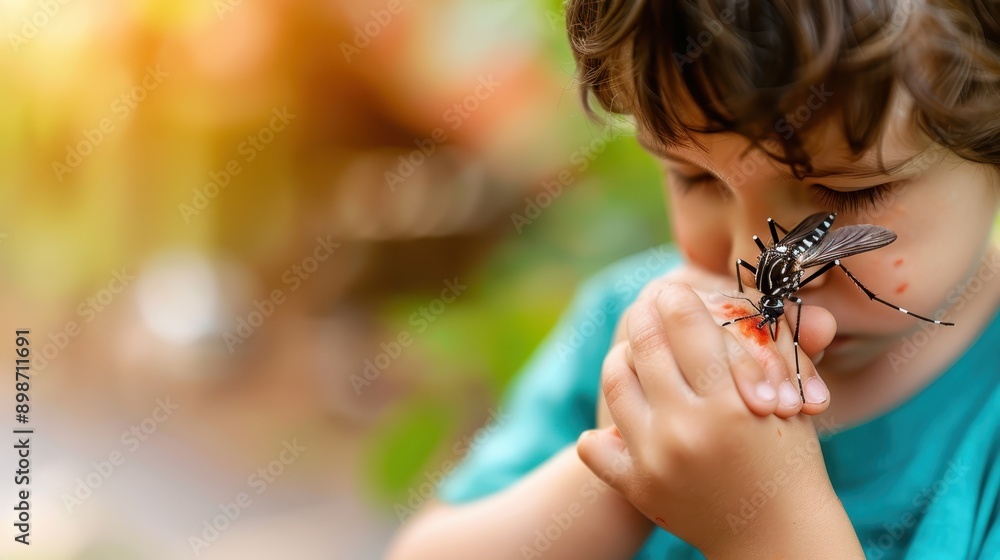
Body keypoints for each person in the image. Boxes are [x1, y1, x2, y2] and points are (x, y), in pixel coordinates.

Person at [387, 1, 1000, 558]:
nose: (739, 255)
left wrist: (766, 529)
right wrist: (623, 463)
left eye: (851, 190)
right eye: (696, 179)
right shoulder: (625, 325)